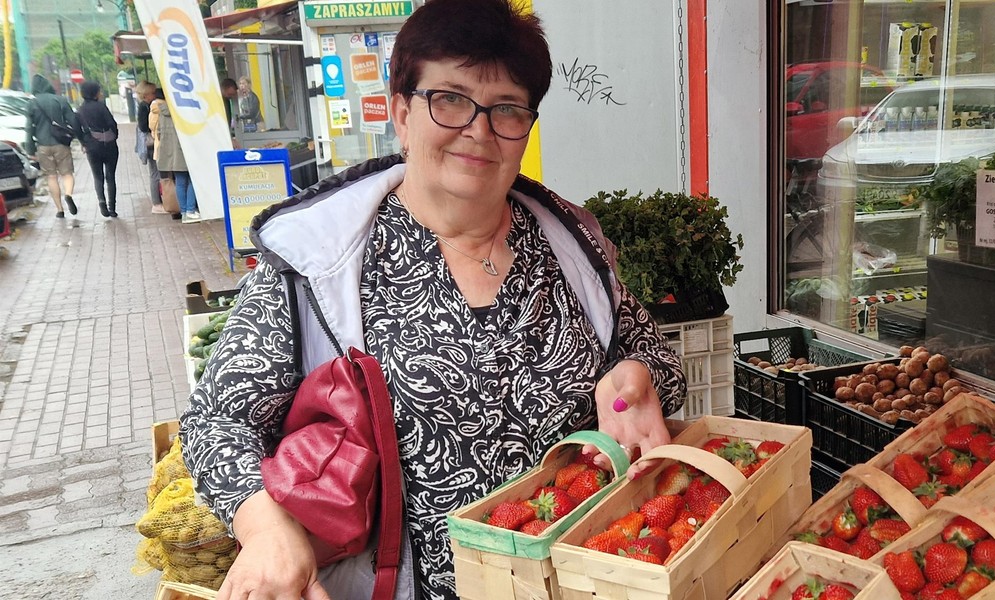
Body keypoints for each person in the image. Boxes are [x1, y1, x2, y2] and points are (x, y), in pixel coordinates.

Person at [179, 1, 687, 598]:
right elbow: (216, 421)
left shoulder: (572, 249)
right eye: (449, 99)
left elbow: (661, 372)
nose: (478, 129)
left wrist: (631, 376)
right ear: (400, 111)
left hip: (574, 581)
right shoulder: (322, 260)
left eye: (506, 109)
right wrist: (264, 525)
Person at [25, 74, 79, 219]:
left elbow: (29, 129)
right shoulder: (60, 100)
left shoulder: (32, 104)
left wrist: (30, 150)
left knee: (51, 177)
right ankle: (68, 194)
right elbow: (73, 120)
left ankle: (60, 210)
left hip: (42, 145)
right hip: (61, 143)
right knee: (67, 174)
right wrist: (79, 137)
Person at [151, 94, 199, 221]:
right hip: (185, 151)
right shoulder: (184, 111)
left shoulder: (162, 112)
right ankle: (190, 210)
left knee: (180, 181)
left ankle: (183, 211)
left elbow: (159, 133)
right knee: (193, 180)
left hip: (171, 153)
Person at [76, 81, 121, 218]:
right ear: (95, 93)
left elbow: (76, 129)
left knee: (98, 176)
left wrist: (84, 142)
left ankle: (101, 202)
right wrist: (114, 136)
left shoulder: (80, 110)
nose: (100, 93)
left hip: (92, 146)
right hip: (109, 145)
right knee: (110, 176)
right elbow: (111, 123)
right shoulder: (101, 107)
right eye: (99, 91)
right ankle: (112, 207)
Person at [136, 81, 166, 213]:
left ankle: (159, 201)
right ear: (145, 95)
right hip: (151, 144)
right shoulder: (145, 107)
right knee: (155, 173)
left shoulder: (146, 105)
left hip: (151, 143)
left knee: (156, 172)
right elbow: (143, 126)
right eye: (152, 93)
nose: (154, 95)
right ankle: (156, 203)